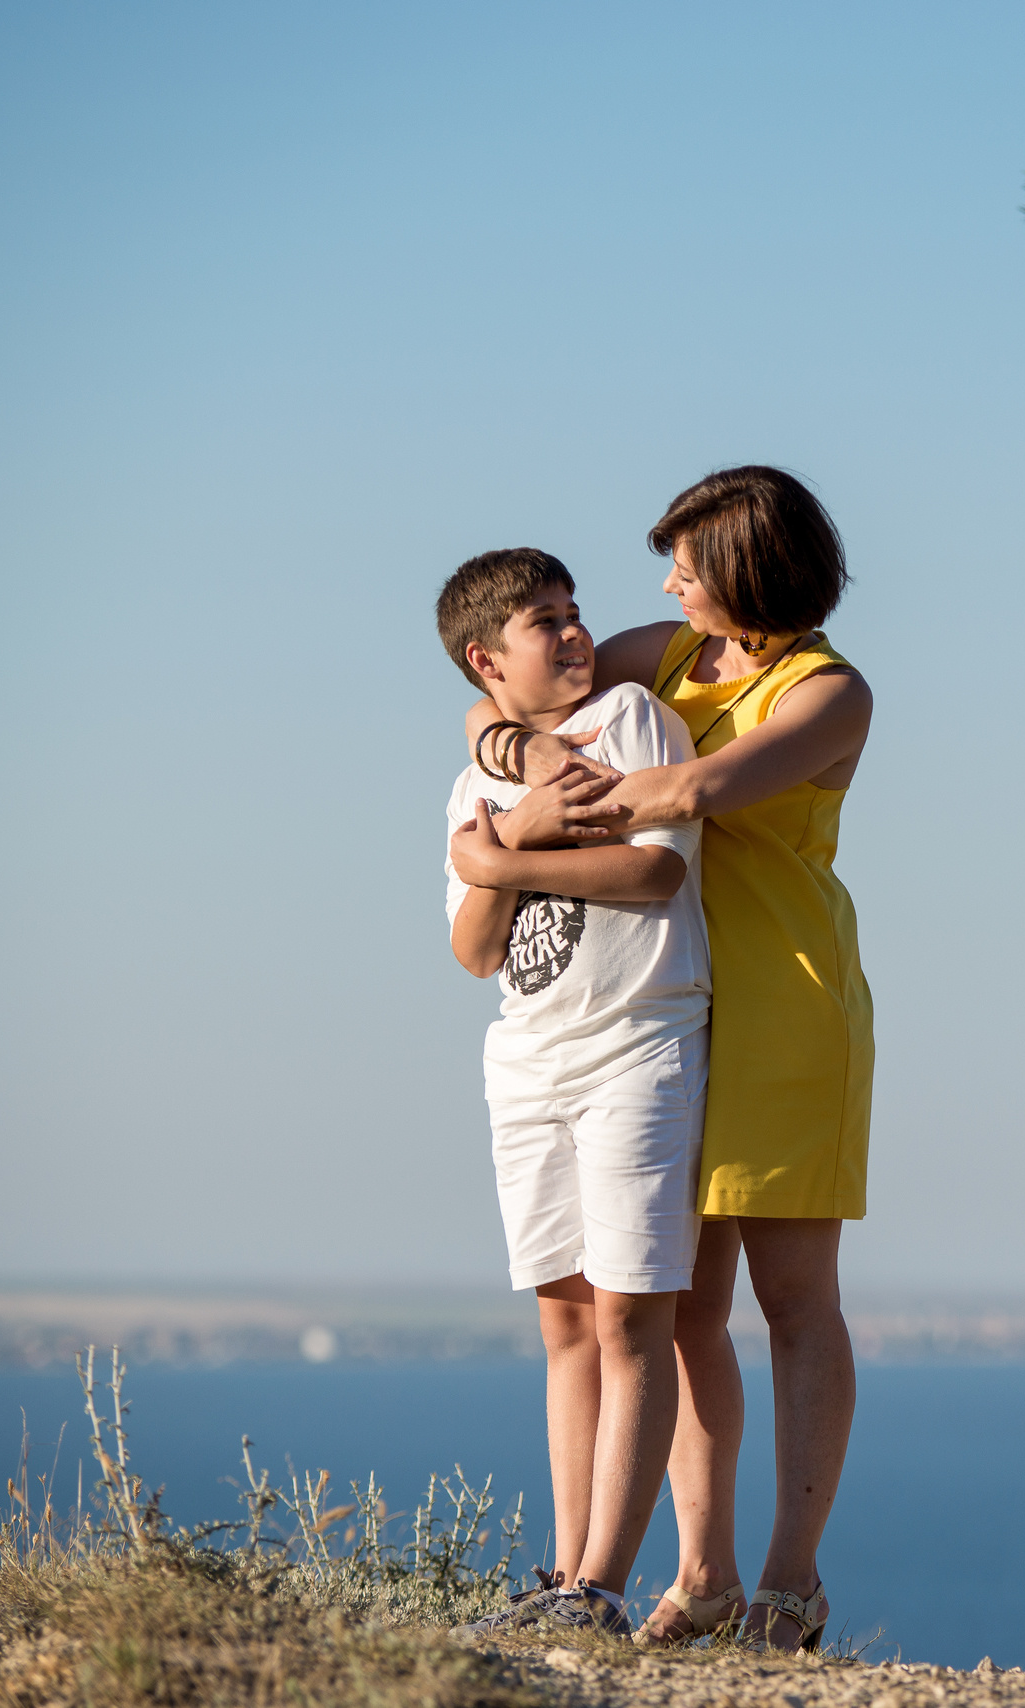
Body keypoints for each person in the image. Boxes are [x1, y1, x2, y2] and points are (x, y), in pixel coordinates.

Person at [470, 467, 873, 1653]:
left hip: (790, 1012)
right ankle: (701, 1575)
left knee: (794, 1301)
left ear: (745, 566)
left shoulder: (830, 693)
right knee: (683, 1308)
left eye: (686, 565)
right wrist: (507, 748)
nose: (664, 585)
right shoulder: (671, 657)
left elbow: (696, 789)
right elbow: (506, 694)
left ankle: (789, 1585)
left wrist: (519, 833)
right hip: (671, 1017)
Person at [435, 548, 714, 1638]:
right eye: (541, 621)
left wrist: (508, 857)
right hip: (528, 1065)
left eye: (571, 611)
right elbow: (470, 951)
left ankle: (601, 1584)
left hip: (638, 1048)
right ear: (483, 659)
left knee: (633, 1315)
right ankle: (561, 1577)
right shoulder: (472, 786)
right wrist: (504, 837)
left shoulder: (632, 718)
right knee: (564, 1323)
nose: (571, 631)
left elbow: (657, 872)